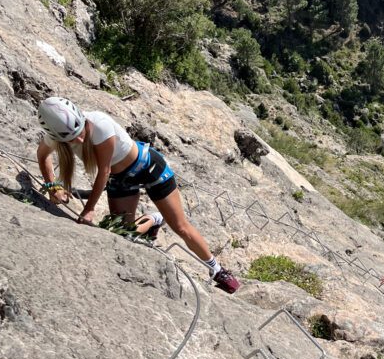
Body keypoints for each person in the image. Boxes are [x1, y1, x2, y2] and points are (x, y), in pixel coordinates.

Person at [35, 96, 240, 293]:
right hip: (121, 179)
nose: (80, 139)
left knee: (180, 226)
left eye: (80, 131)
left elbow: (103, 172)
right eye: (72, 138)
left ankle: (217, 269)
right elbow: (42, 155)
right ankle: (153, 219)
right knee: (123, 235)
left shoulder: (99, 124)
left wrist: (89, 210)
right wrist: (54, 187)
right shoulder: (54, 137)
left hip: (148, 167)